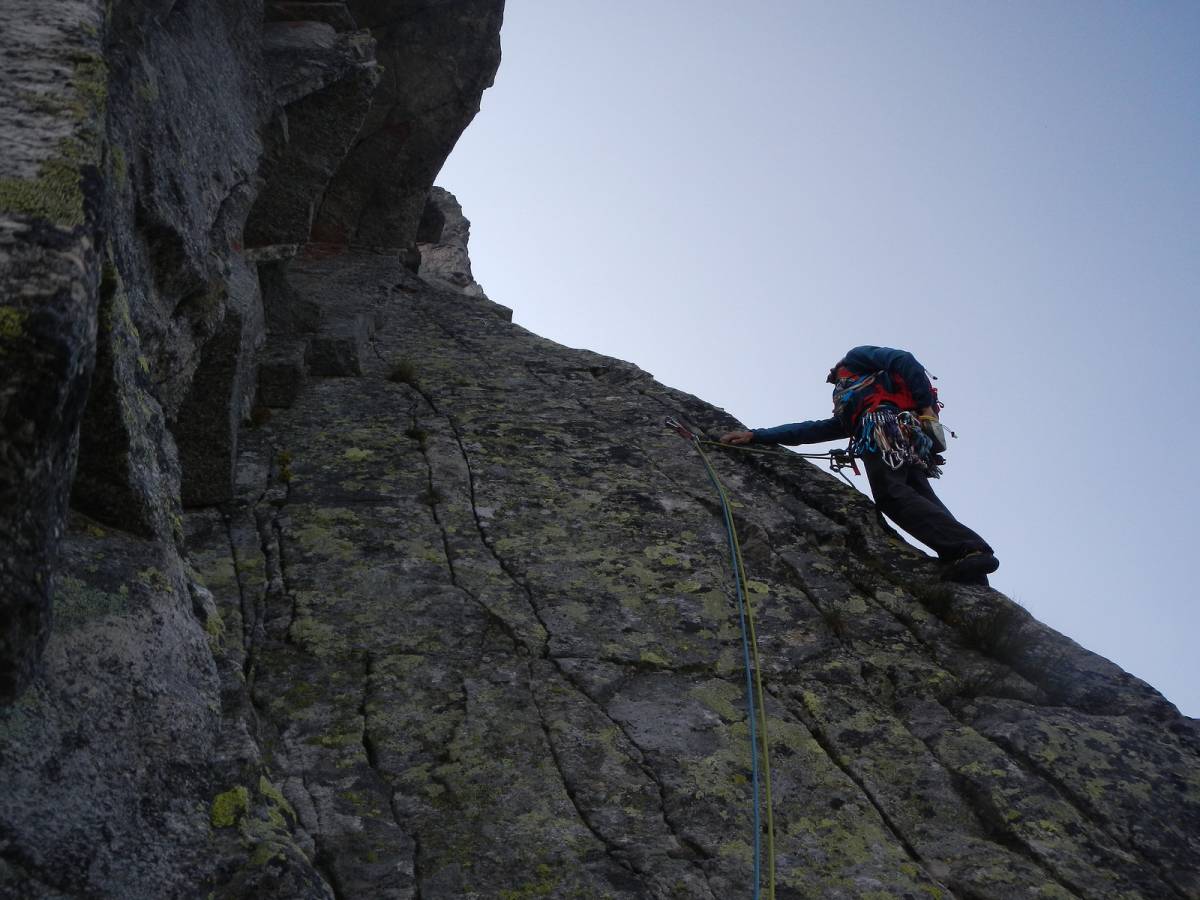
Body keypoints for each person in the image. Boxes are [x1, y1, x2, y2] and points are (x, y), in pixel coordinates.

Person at [720, 345, 999, 585]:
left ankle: (965, 548)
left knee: (891, 494)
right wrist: (758, 435)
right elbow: (815, 429)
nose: (830, 378)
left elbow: (903, 358)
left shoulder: (856, 358)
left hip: (883, 427)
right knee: (918, 494)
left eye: (832, 375)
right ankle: (970, 560)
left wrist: (926, 407)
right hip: (903, 435)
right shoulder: (852, 402)